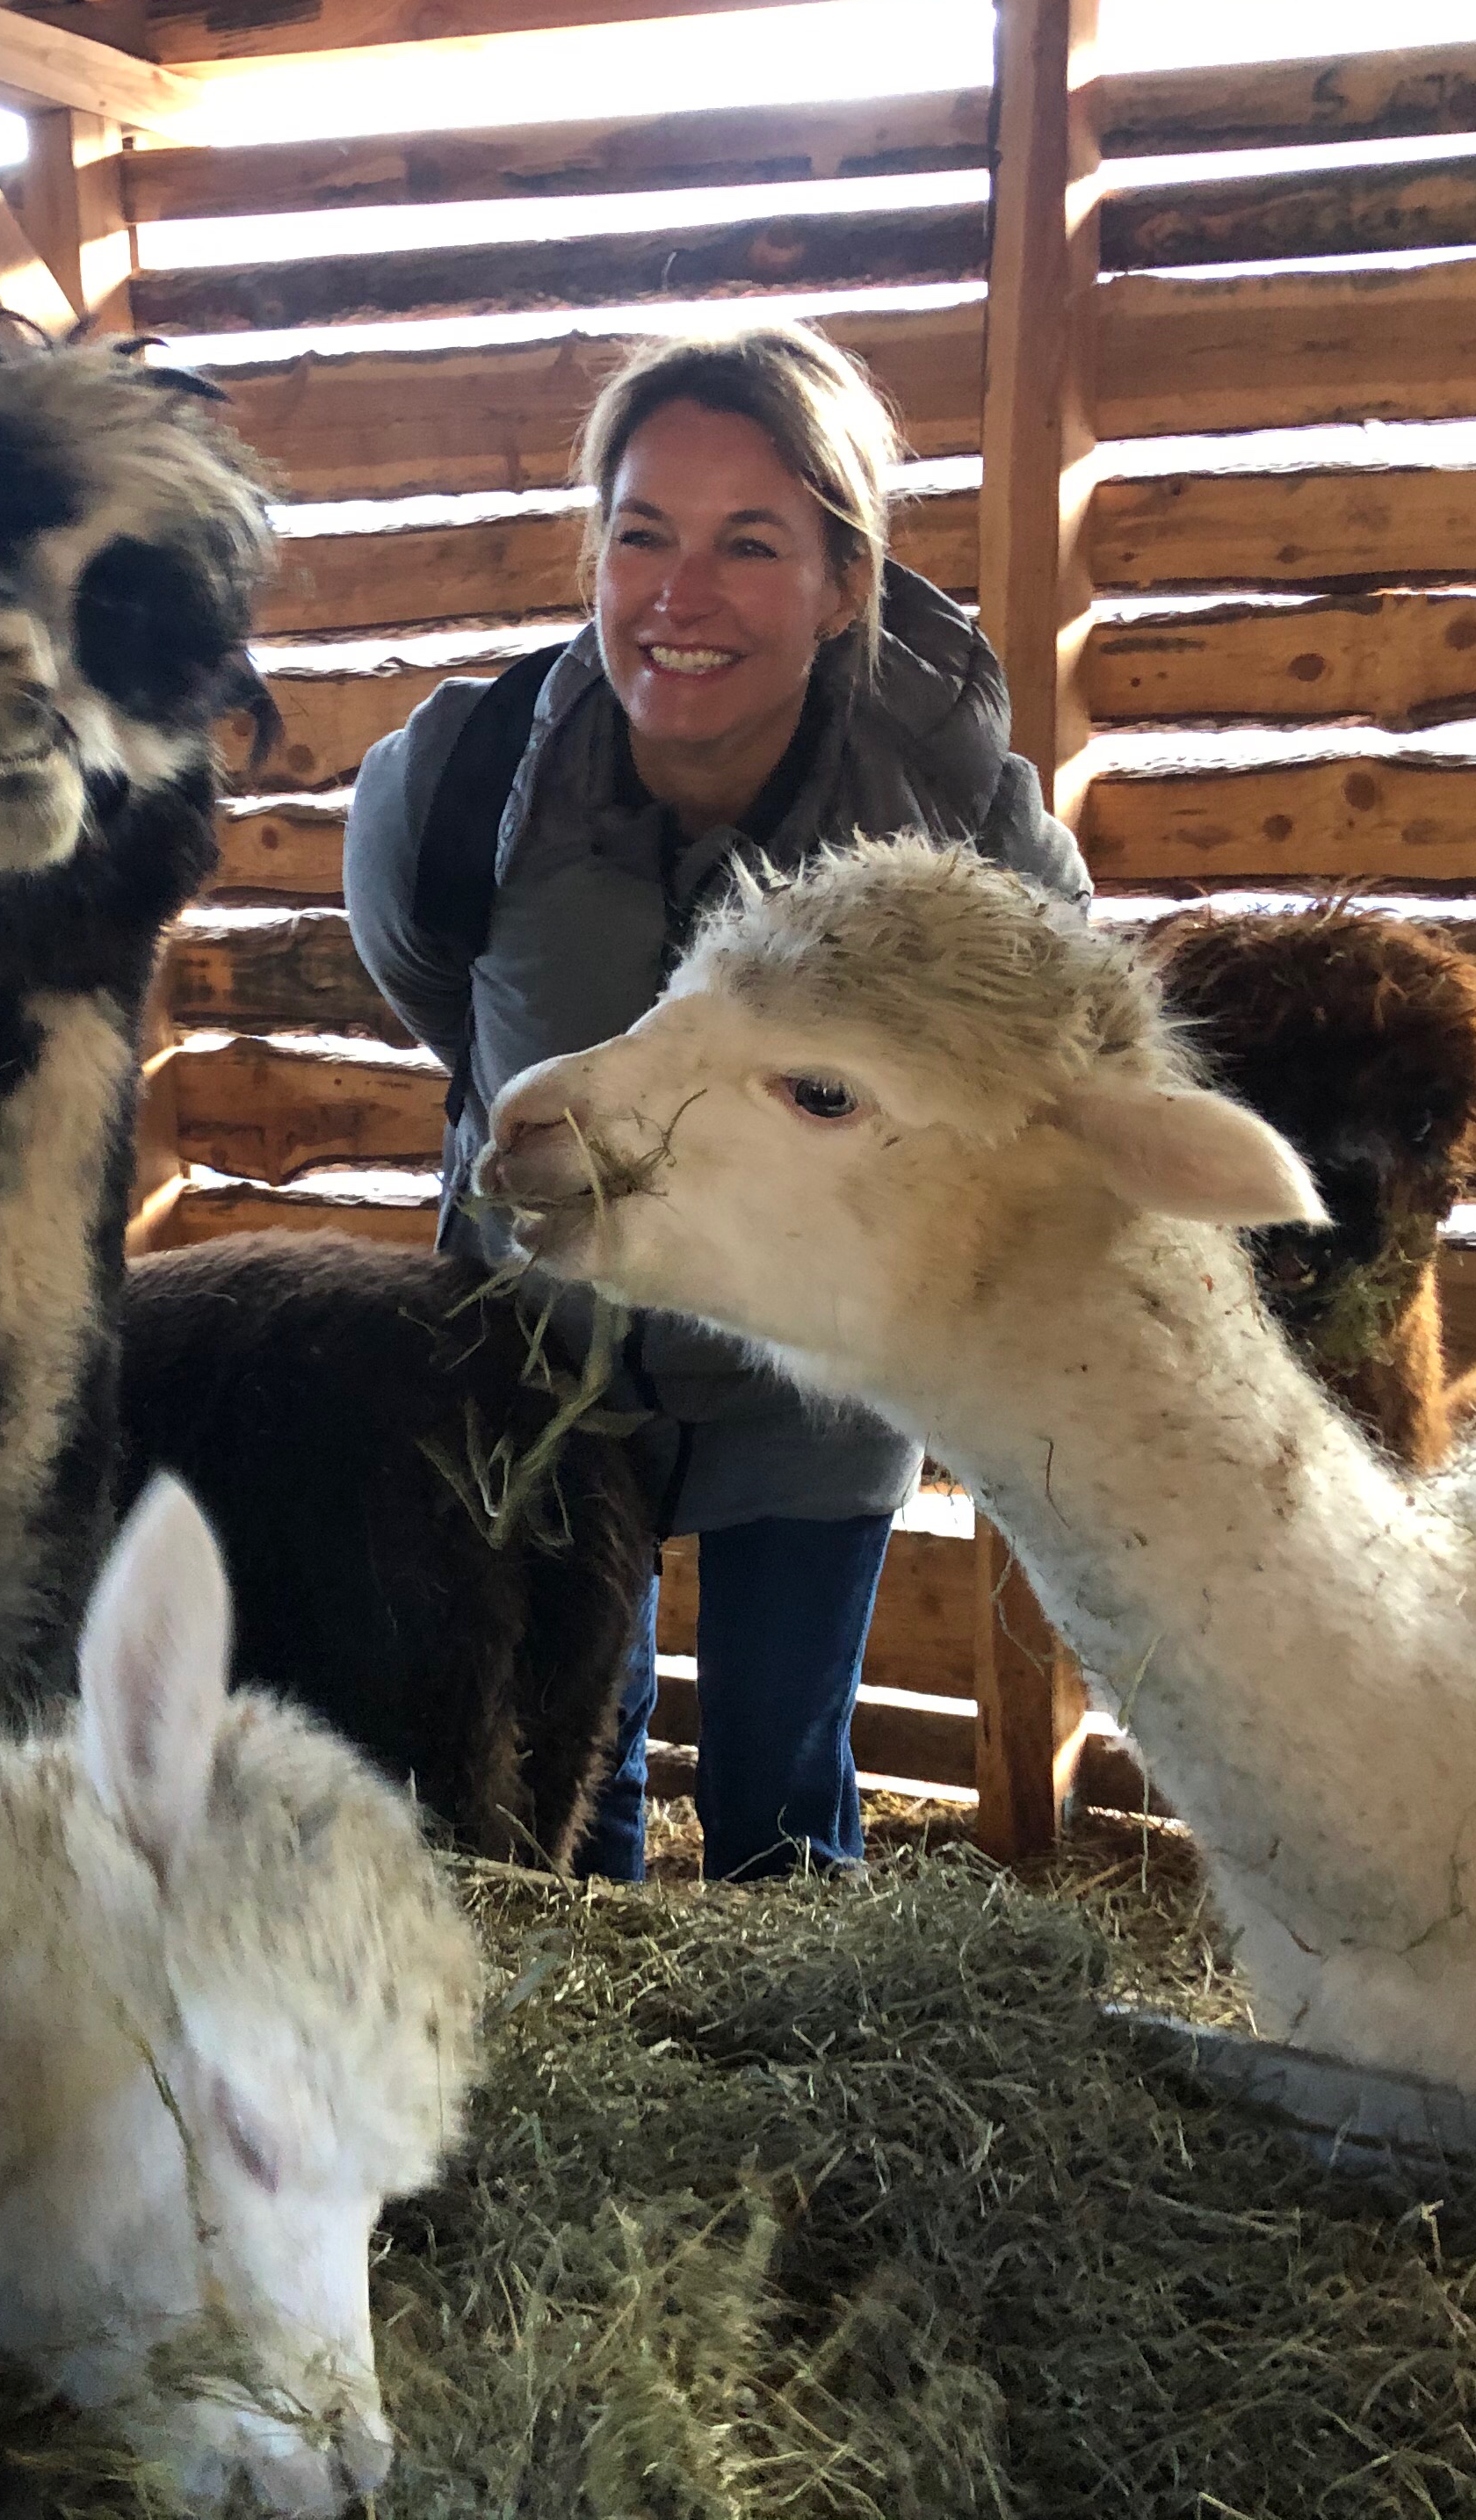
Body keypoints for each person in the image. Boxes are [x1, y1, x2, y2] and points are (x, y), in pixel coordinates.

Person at [343, 321, 1091, 1882]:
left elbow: (1047, 1038)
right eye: (642, 537)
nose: (678, 598)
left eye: (750, 545)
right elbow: (440, 998)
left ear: (844, 582)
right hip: (548, 1357)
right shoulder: (465, 783)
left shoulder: (948, 816)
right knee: (567, 1789)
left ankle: (795, 2023)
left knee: (782, 1808)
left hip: (813, 1379)